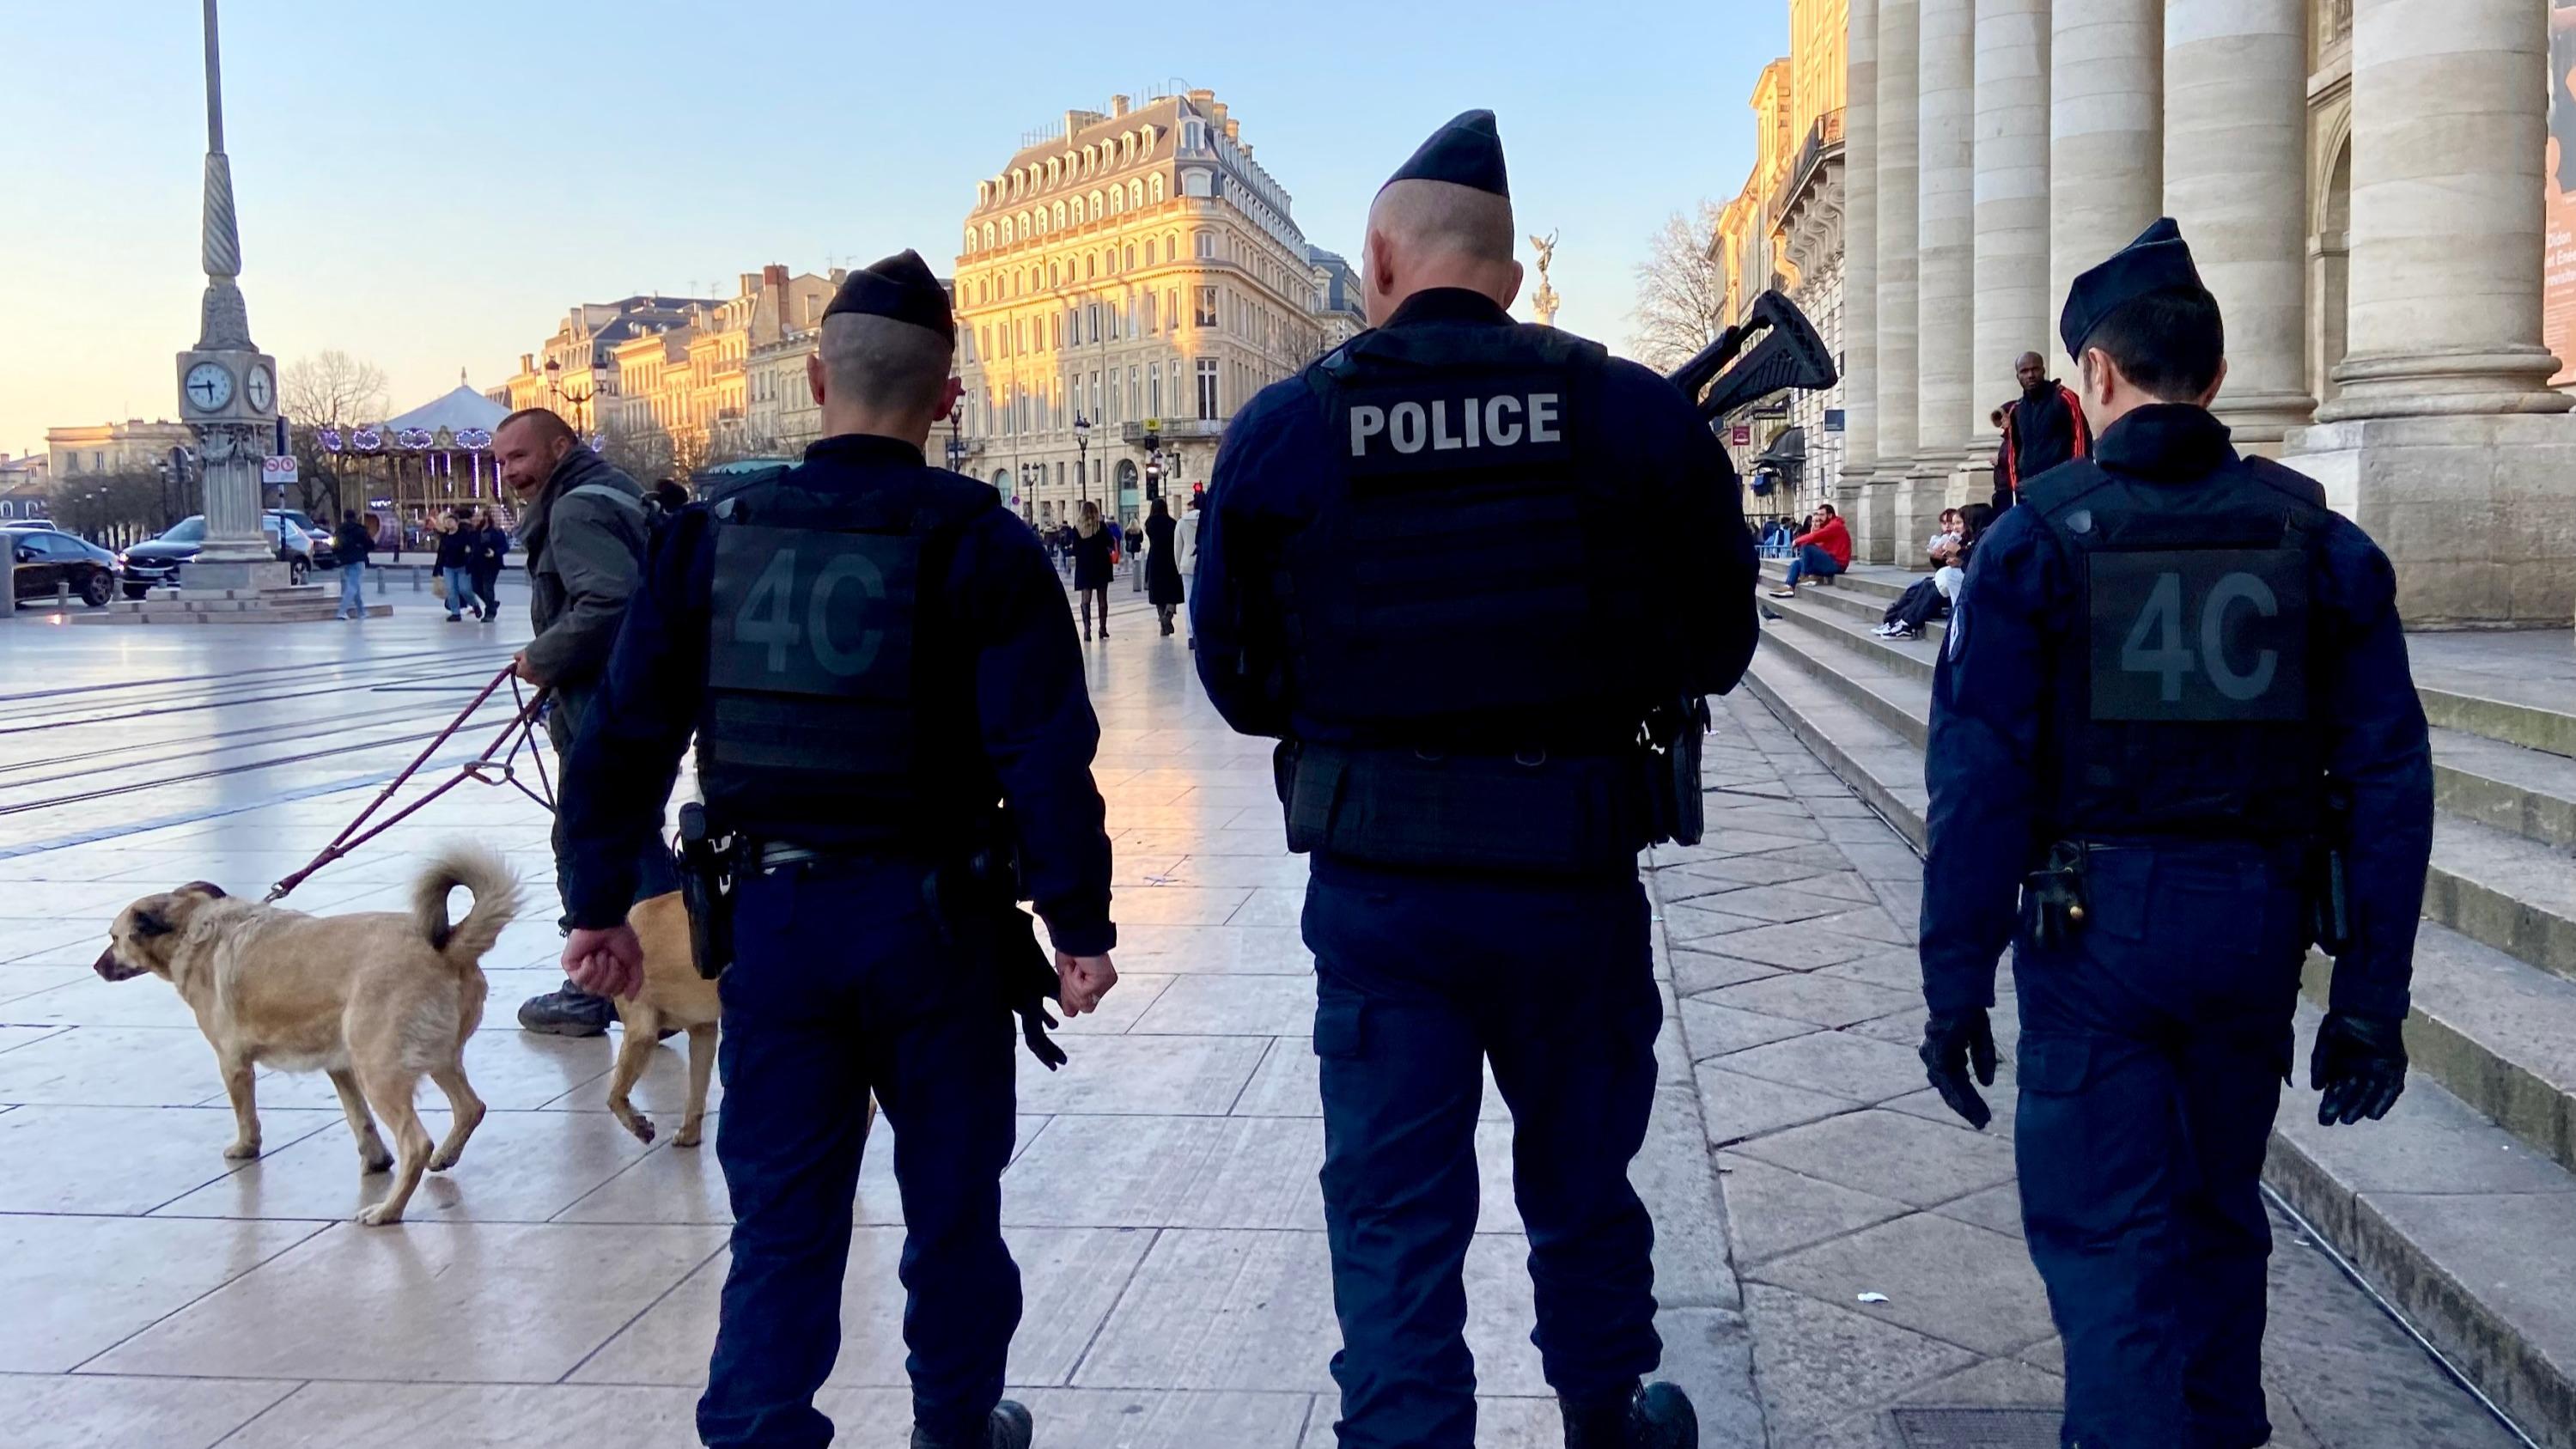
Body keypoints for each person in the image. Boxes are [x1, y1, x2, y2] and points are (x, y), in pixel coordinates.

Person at [1191, 109, 1756, 1449]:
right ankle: (1610, 1409)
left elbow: (1236, 679)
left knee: (1391, 1212)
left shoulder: (1284, 430)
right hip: (1569, 872)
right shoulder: (1625, 414)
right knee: (1582, 1183)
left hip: (1383, 888)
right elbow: (1719, 642)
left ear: (1379, 260)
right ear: (1505, 270)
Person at [551, 249, 1117, 1449]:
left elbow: (623, 736)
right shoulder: (985, 542)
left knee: (784, 1217)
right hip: (940, 925)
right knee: (952, 1208)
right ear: (948, 395)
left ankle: (759, 1423)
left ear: (814, 380)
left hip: (777, 923)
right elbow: (1045, 754)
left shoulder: (714, 535)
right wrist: (1077, 925)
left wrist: (597, 903)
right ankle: (955, 1420)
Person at [1915, 218, 2433, 1449]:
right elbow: (2386, 778)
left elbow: (1976, 784)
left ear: (2091, 376)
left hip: (2091, 928)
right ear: (2209, 375)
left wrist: (1951, 984)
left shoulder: (2034, 540)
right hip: (2251, 926)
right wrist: (2368, 995)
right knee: (2213, 1221)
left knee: (2106, 1242)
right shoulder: (2318, 540)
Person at [490, 405, 680, 1038]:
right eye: (500, 461)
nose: (509, 472)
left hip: (600, 700)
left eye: (518, 457)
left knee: (587, 834)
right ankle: (672, 979)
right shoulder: (618, 489)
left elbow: (610, 599)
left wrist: (541, 657)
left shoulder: (572, 509)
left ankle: (593, 988)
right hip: (639, 695)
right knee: (632, 832)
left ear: (559, 446)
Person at [1991, 350, 2092, 514]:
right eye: (2024, 371)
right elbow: (2014, 453)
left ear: (2043, 370)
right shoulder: (2017, 410)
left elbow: (2080, 440)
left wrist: (2075, 481)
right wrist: (2017, 487)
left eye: (2035, 369)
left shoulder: (2065, 398)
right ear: (2018, 376)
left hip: (2061, 488)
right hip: (2029, 492)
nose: (2030, 375)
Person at [1765, 501, 1849, 598]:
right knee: (1796, 563)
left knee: (1806, 545)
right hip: (1830, 560)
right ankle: (1789, 587)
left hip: (1837, 564)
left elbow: (1815, 537)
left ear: (1830, 515)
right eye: (1818, 515)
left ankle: (1805, 575)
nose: (1820, 518)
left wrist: (1796, 541)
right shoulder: (1830, 526)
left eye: (1822, 515)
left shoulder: (1835, 526)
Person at [1069, 500, 1113, 640]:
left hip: (1084, 566)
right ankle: (1102, 628)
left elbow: (1074, 549)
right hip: (1101, 564)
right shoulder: (1101, 526)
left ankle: (1087, 630)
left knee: (1085, 599)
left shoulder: (1077, 529)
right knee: (1102, 599)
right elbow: (1111, 543)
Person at [1143, 496, 1184, 634]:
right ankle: (1167, 617)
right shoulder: (1173, 523)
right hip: (1170, 558)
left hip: (1155, 559)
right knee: (1172, 592)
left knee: (1158, 593)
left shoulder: (1149, 523)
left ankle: (1163, 622)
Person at [434, 507, 479, 622]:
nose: (449, 523)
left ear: (457, 522)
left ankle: (475, 605)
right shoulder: (445, 538)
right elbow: (441, 554)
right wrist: (437, 569)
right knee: (451, 590)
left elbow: (473, 547)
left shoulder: (465, 534)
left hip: (462, 566)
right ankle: (455, 613)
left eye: (451, 521)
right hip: (448, 567)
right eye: (447, 522)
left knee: (465, 589)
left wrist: (470, 554)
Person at [469, 507, 509, 623]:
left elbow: (505, 547)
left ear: (486, 517)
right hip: (476, 564)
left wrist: (495, 553)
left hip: (491, 564)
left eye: (479, 515)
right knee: (475, 586)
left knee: (488, 587)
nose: (476, 517)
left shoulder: (496, 531)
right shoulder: (475, 531)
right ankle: (491, 603)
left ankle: (490, 612)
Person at [332, 508, 372, 619]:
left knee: (355, 586)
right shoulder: (360, 530)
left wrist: (339, 556)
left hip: (345, 561)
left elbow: (334, 546)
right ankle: (342, 611)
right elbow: (370, 544)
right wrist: (363, 551)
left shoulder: (340, 531)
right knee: (353, 587)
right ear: (355, 517)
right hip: (358, 559)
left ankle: (361, 611)